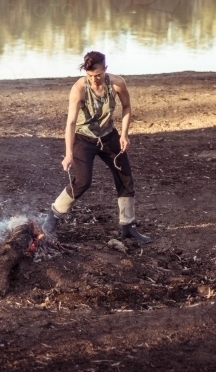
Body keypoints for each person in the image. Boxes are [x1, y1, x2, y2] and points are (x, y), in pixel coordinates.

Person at [42, 51, 151, 244]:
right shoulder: (79, 89)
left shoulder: (117, 83)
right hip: (84, 139)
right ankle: (53, 216)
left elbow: (126, 107)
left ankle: (128, 227)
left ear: (105, 70)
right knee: (83, 181)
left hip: (109, 137)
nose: (94, 79)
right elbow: (71, 123)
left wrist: (124, 134)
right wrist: (68, 154)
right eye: (90, 76)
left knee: (125, 178)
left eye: (98, 75)